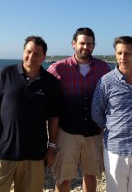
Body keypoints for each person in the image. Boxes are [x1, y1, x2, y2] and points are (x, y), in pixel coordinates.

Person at [0, 36, 62, 192]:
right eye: (28, 52)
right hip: (3, 151)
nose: (31, 57)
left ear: (44, 57)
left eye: (37, 54)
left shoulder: (51, 83)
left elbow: (54, 118)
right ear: (23, 52)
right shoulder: (5, 74)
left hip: (34, 154)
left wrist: (51, 147)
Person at [91, 36, 132, 192]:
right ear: (115, 54)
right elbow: (96, 112)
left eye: (127, 53)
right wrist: (112, 127)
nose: (123, 58)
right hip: (115, 150)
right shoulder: (105, 82)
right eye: (119, 53)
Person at [47, 27, 111, 192]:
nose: (85, 47)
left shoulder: (103, 68)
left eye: (89, 44)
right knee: (63, 177)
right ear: (73, 44)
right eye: (82, 43)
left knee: (91, 176)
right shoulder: (57, 68)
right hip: (67, 133)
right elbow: (44, 96)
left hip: (94, 132)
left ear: (94, 46)